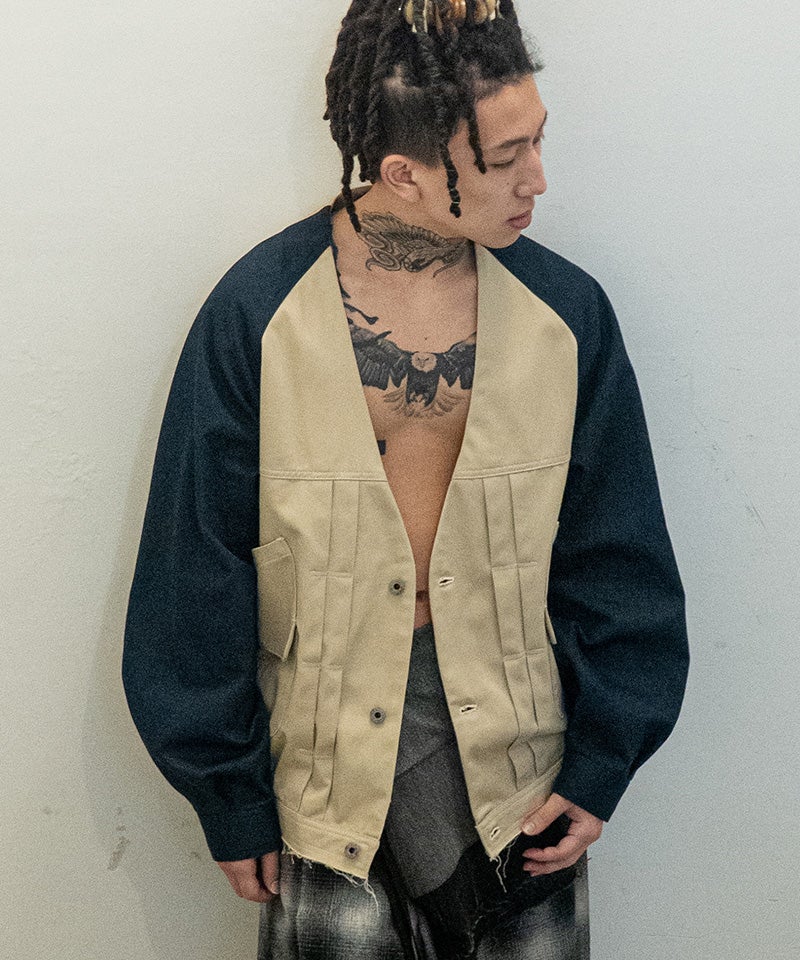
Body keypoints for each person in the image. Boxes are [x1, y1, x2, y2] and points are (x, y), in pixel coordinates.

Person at [123, 1, 689, 957]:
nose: (538, 179)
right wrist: (227, 794)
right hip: (324, 781)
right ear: (405, 173)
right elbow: (193, 567)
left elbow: (618, 551)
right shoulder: (258, 312)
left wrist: (603, 762)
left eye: (538, 141)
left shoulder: (567, 317)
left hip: (517, 780)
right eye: (506, 158)